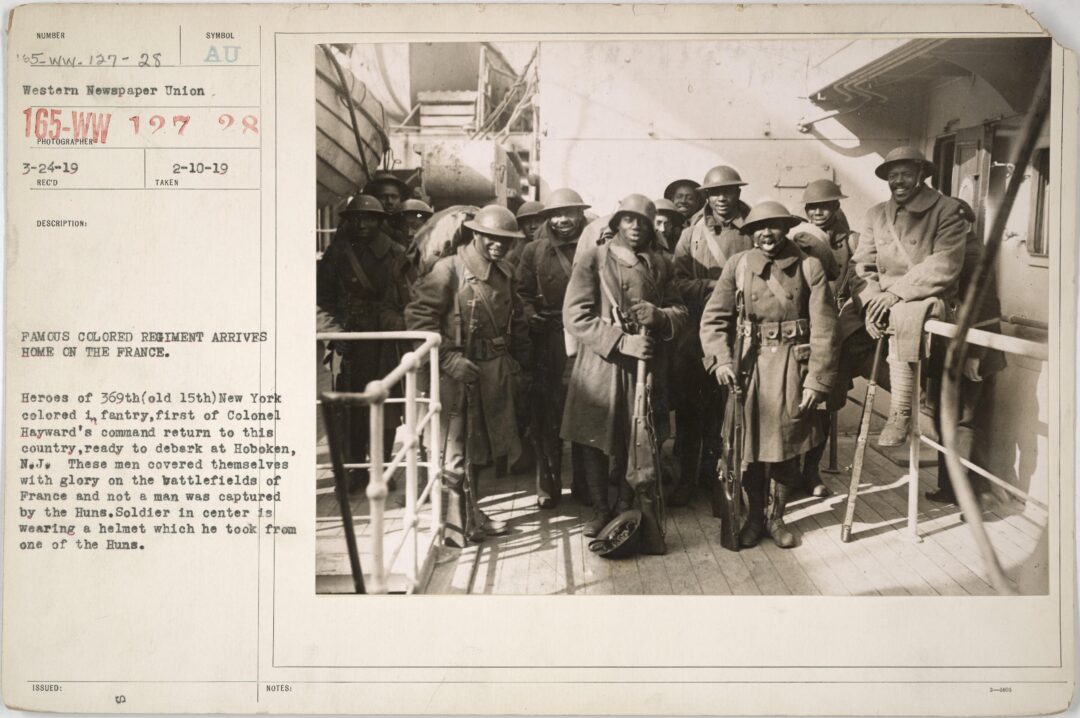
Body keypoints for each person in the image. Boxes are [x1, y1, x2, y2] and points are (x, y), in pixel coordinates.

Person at [700, 201, 839, 548]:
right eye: (759, 228)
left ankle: (776, 519)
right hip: (748, 367)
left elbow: (825, 330)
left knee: (787, 445)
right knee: (749, 446)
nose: (766, 233)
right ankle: (755, 517)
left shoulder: (810, 267)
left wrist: (816, 381)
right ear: (750, 233)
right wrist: (720, 360)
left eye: (774, 226)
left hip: (793, 366)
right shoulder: (739, 265)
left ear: (786, 228)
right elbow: (713, 318)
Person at [561, 195, 689, 537]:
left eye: (643, 222)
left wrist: (661, 317)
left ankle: (624, 505)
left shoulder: (661, 263)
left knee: (639, 434)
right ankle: (601, 508)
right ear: (616, 223)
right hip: (600, 363)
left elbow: (681, 311)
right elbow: (575, 315)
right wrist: (620, 342)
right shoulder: (594, 259)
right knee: (594, 435)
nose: (635, 227)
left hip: (645, 365)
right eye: (628, 220)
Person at [405, 205, 531, 547]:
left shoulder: (505, 271)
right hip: (456, 375)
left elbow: (514, 318)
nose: (498, 245)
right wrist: (447, 358)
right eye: (491, 238)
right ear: (476, 233)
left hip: (492, 372)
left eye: (506, 240)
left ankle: (471, 513)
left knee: (480, 448)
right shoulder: (448, 270)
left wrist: (520, 364)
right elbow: (418, 319)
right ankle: (452, 525)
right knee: (453, 449)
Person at [854, 147, 967, 447]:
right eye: (893, 176)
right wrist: (871, 303)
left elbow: (944, 263)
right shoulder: (876, 215)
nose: (899, 181)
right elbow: (862, 266)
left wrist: (895, 294)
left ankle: (901, 411)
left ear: (920, 174)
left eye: (905, 174)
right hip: (884, 302)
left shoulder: (947, 210)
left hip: (928, 298)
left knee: (904, 315)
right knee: (844, 332)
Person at [667, 166, 753, 507]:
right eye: (715, 192)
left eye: (728, 191)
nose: (721, 198)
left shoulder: (752, 229)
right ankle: (687, 481)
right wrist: (711, 287)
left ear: (737, 194)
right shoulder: (692, 233)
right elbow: (676, 280)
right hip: (696, 332)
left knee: (728, 410)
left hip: (739, 332)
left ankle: (721, 484)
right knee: (690, 410)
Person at [317, 195, 410, 491]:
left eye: (369, 218)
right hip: (348, 342)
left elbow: (408, 298)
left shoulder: (397, 254)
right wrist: (335, 334)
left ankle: (381, 469)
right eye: (356, 218)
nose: (362, 224)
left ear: (380, 221)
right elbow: (320, 302)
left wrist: (396, 327)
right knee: (347, 408)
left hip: (384, 342)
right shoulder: (336, 254)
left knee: (385, 406)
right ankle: (350, 471)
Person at [923, 199, 1007, 505]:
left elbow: (985, 304)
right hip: (950, 352)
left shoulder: (973, 253)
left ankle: (970, 495)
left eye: (951, 223)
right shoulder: (950, 251)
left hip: (974, 354)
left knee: (965, 424)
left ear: (965, 224)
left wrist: (976, 354)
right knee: (946, 421)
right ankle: (950, 488)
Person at [517, 199, 588, 508]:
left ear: (580, 213)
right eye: (555, 214)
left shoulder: (595, 243)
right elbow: (520, 291)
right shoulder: (534, 250)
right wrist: (530, 312)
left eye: (568, 213)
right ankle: (548, 482)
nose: (562, 220)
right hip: (548, 336)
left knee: (587, 408)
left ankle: (585, 483)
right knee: (546, 414)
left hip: (585, 335)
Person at [791, 179, 860, 497]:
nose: (818, 211)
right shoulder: (797, 238)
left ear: (837, 207)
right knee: (795, 402)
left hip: (837, 332)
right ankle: (790, 472)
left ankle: (811, 471)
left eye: (825, 205)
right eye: (812, 207)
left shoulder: (854, 243)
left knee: (827, 403)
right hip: (801, 330)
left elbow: (859, 283)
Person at [363, 172, 412, 248]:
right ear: (373, 199)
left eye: (394, 197)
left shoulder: (407, 222)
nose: (389, 202)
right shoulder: (362, 222)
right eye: (383, 197)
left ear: (400, 199)